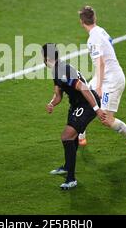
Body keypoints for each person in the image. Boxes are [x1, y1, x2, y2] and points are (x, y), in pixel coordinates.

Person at [78, 6, 126, 153]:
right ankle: (80, 136)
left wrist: (98, 87)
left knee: (107, 119)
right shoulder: (100, 30)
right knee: (83, 95)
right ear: (94, 18)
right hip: (107, 75)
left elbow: (100, 62)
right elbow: (110, 42)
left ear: (81, 22)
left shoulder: (92, 39)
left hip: (111, 81)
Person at [43, 43, 104, 190]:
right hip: (76, 105)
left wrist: (96, 108)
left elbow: (83, 87)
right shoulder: (56, 70)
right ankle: (67, 166)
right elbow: (58, 95)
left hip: (87, 104)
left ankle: (71, 179)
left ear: (46, 58)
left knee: (67, 136)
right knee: (72, 136)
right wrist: (52, 103)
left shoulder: (61, 71)